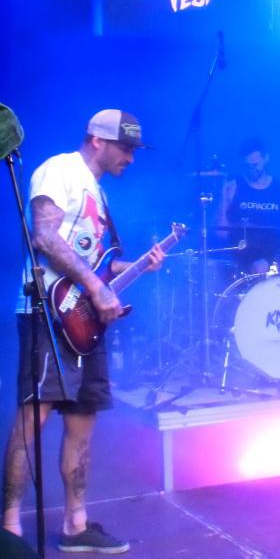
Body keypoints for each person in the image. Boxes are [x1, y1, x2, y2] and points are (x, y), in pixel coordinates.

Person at [3, 109, 165, 553]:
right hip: (49, 312)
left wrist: (135, 266)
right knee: (32, 421)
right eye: (125, 148)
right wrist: (96, 287)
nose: (131, 158)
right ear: (97, 140)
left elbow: (99, 262)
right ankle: (9, 528)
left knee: (82, 422)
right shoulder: (61, 170)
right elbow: (44, 237)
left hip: (85, 321)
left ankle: (76, 526)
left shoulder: (98, 193)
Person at [218, 137, 280, 274]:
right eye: (248, 166)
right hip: (244, 252)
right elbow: (221, 229)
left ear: (266, 159)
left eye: (256, 164)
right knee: (258, 267)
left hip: (274, 251)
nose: (252, 169)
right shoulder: (234, 186)